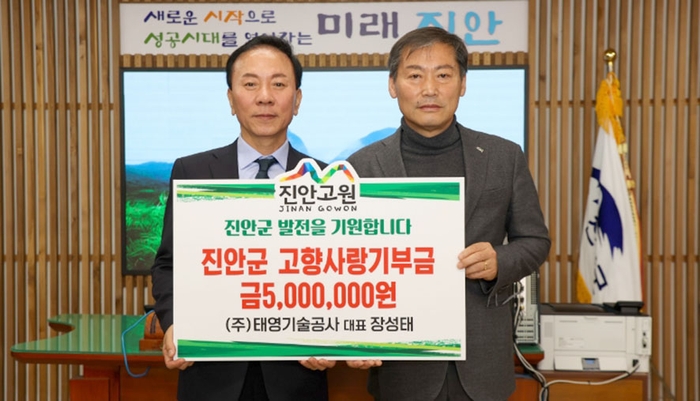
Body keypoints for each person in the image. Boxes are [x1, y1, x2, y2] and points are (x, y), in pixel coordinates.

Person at [345, 27, 551, 401]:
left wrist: (499, 260)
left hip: (482, 360)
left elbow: (535, 241)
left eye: (443, 75)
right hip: (401, 362)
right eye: (414, 76)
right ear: (392, 85)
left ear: (463, 83)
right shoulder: (362, 166)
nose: (429, 89)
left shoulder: (504, 156)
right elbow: (346, 261)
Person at [151, 35, 334, 401]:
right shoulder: (193, 172)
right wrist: (173, 323)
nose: (265, 97)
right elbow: (169, 264)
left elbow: (340, 272)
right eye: (250, 84)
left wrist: (333, 338)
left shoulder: (326, 180)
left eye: (278, 84)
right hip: (210, 375)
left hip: (297, 378)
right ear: (231, 99)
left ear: (297, 99)